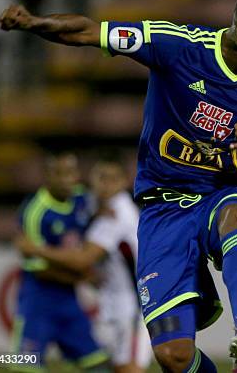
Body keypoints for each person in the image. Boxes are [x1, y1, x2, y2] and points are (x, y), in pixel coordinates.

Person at [0, 0, 237, 373]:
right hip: (164, 209)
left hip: (222, 192)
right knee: (172, 356)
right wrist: (33, 23)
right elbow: (91, 31)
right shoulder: (177, 46)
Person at [17, 152, 153, 373]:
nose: (105, 185)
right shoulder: (90, 204)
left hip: (132, 308)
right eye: (101, 177)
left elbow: (82, 260)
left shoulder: (117, 212)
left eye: (112, 179)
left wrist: (35, 249)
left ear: (125, 181)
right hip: (107, 303)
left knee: (129, 368)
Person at [13, 151, 110, 372]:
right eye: (60, 173)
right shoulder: (35, 212)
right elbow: (39, 270)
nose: (68, 178)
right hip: (38, 303)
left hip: (69, 303)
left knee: (99, 364)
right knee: (26, 366)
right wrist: (83, 275)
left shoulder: (81, 198)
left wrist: (100, 216)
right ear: (47, 175)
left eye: (72, 172)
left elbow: (85, 222)